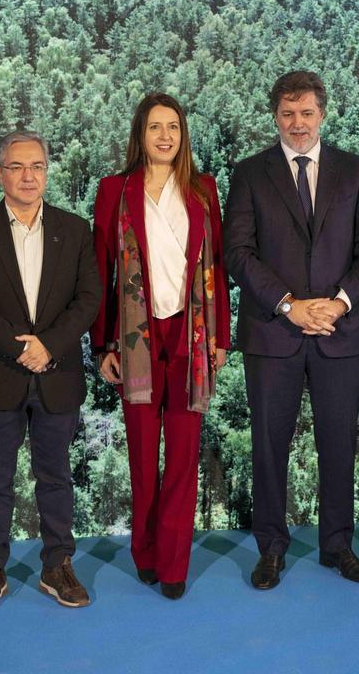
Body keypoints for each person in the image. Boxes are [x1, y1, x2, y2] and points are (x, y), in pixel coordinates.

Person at [224, 70, 359, 590]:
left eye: (307, 113)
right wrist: (289, 305)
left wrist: (338, 304)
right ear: (275, 116)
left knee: (339, 444)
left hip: (339, 331)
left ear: (323, 114)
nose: (298, 123)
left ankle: (338, 547)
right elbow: (238, 253)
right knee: (269, 446)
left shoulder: (355, 171)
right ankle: (270, 549)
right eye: (288, 114)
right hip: (273, 333)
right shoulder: (250, 173)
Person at [0, 131, 101, 611]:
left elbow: (89, 298)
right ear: (0, 174)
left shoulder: (75, 230)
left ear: (46, 171)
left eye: (36, 166)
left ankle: (58, 565)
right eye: (16, 166)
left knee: (56, 477)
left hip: (57, 373)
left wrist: (49, 345)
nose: (28, 176)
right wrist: (21, 347)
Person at [91, 93, 230, 600]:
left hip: (191, 336)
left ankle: (174, 565)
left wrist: (220, 338)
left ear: (183, 134)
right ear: (140, 134)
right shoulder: (115, 190)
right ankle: (145, 554)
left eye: (173, 127)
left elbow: (218, 268)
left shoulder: (202, 189)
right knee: (143, 457)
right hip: (136, 337)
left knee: (185, 456)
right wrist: (103, 344)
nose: (165, 136)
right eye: (155, 127)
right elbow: (102, 269)